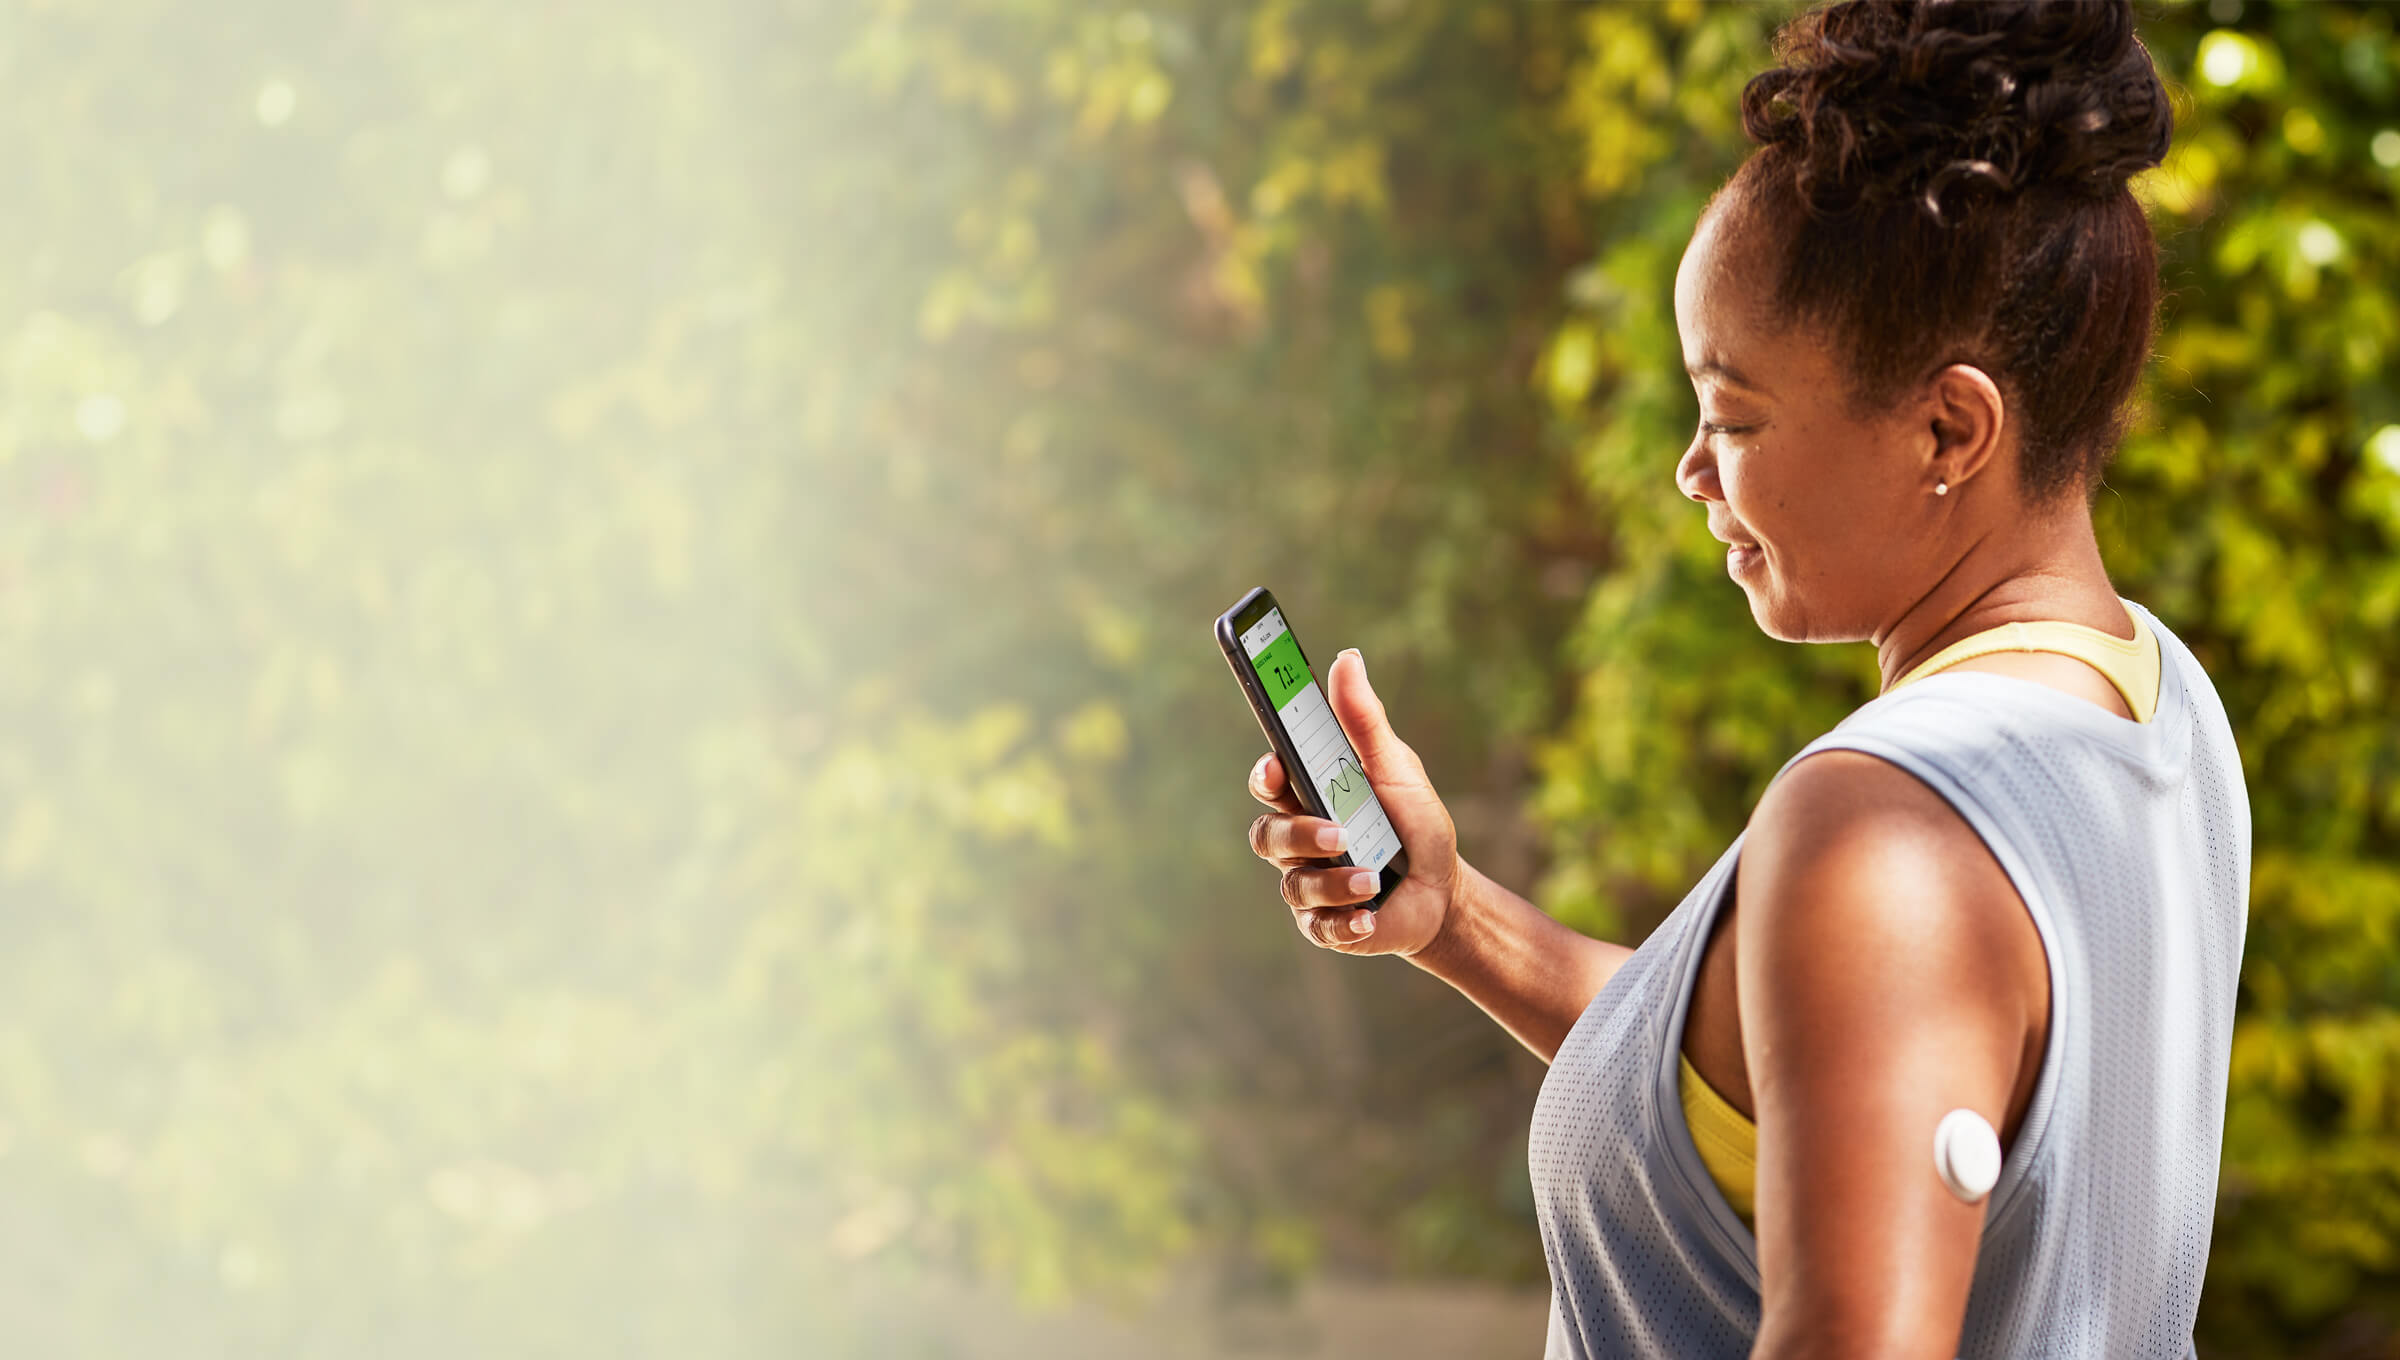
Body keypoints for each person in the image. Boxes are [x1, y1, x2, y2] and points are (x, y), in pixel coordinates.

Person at [1239, 2, 2251, 1356]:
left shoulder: (1887, 828)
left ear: (1950, 426)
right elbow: (1801, 1090)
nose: (1693, 471)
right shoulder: (2156, 703)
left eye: (1735, 415)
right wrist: (1458, 918)